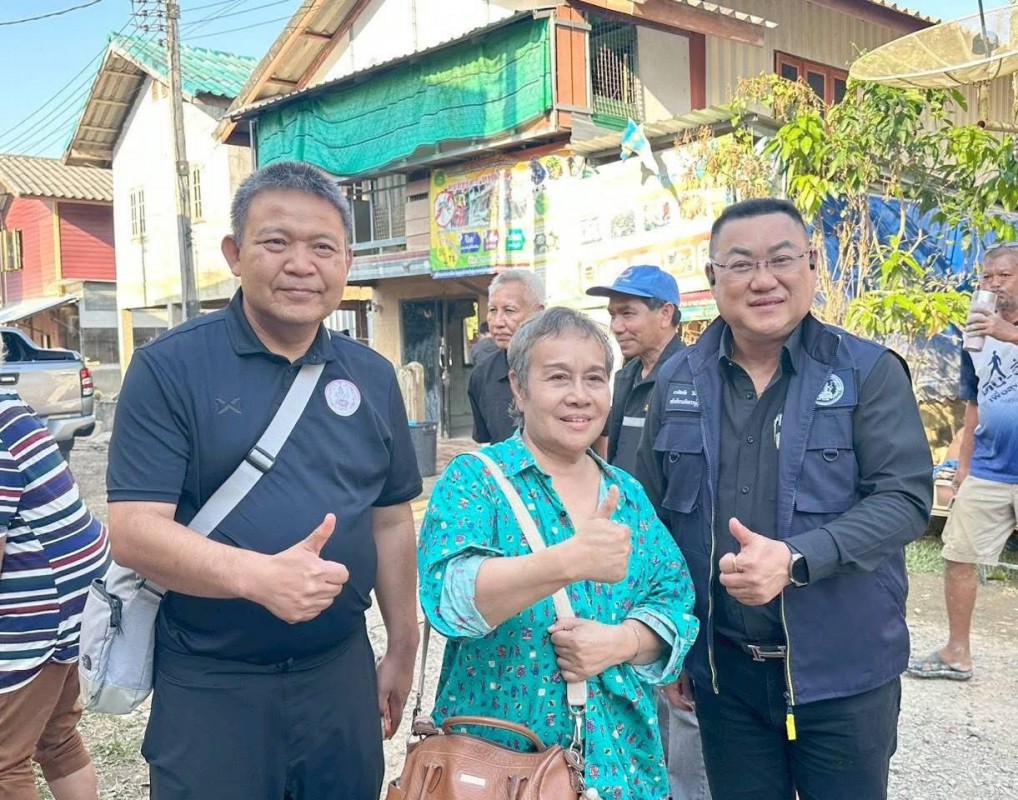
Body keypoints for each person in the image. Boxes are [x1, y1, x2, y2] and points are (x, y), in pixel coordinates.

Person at [106, 161, 422, 800]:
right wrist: (258, 577)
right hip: (212, 681)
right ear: (235, 253)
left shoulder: (371, 375)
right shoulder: (170, 367)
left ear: (347, 261)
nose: (301, 265)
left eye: (323, 247)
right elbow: (134, 531)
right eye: (276, 242)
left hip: (338, 675)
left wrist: (402, 646)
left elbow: (390, 519)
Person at [638, 197, 933, 800]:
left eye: (781, 259)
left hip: (843, 674)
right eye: (741, 264)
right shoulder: (677, 380)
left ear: (812, 266)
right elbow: (651, 521)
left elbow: (904, 499)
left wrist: (796, 558)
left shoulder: (867, 373)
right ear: (712, 277)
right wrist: (670, 646)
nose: (763, 280)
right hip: (724, 676)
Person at [419, 307, 699, 800]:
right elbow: (450, 600)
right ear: (519, 388)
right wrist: (567, 562)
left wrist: (622, 642)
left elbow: (675, 603)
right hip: (501, 770)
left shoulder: (627, 495)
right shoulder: (477, 481)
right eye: (557, 377)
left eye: (594, 378)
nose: (579, 395)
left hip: (621, 768)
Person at [586, 265, 709, 800]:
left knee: (680, 689)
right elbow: (607, 456)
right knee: (637, 677)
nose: (617, 325)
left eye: (629, 313)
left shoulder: (694, 377)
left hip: (674, 556)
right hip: (624, 556)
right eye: (613, 314)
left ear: (667, 314)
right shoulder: (625, 377)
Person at [908, 243, 1018, 682]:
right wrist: (963, 467)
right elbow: (974, 403)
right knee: (958, 556)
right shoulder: (975, 334)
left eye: (1004, 275)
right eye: (986, 277)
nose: (993, 284)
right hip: (989, 468)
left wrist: (1009, 333)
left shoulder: (999, 330)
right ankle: (957, 652)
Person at [0, 363, 110, 799]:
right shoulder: (8, 405)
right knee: (56, 735)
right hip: (78, 589)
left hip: (39, 600)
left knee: (4, 760)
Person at [467, 268, 544, 443]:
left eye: (509, 310)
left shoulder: (567, 367)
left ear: (538, 313)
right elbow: (486, 440)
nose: (498, 322)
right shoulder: (481, 376)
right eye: (493, 310)